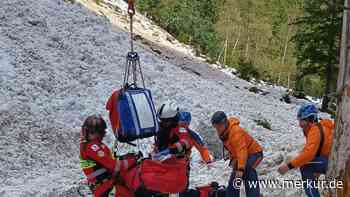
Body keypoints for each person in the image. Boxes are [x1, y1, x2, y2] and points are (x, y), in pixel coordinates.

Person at [277, 104, 334, 197]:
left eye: (302, 121)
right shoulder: (318, 128)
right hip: (331, 160)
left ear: (309, 119)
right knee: (307, 166)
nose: (299, 124)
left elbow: (309, 154)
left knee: (305, 166)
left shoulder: (315, 130)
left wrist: (289, 166)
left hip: (332, 161)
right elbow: (319, 150)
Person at [79, 115, 136, 197]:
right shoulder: (92, 147)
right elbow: (113, 165)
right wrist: (132, 161)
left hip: (107, 186)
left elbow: (106, 162)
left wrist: (125, 157)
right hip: (106, 188)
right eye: (91, 132)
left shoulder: (93, 146)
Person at [211, 111, 263, 197]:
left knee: (248, 171)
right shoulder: (224, 133)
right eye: (215, 127)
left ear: (224, 123)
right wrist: (234, 162)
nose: (217, 129)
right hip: (242, 157)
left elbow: (242, 150)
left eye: (218, 126)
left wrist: (241, 169)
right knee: (234, 178)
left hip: (255, 153)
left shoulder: (235, 132)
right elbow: (234, 149)